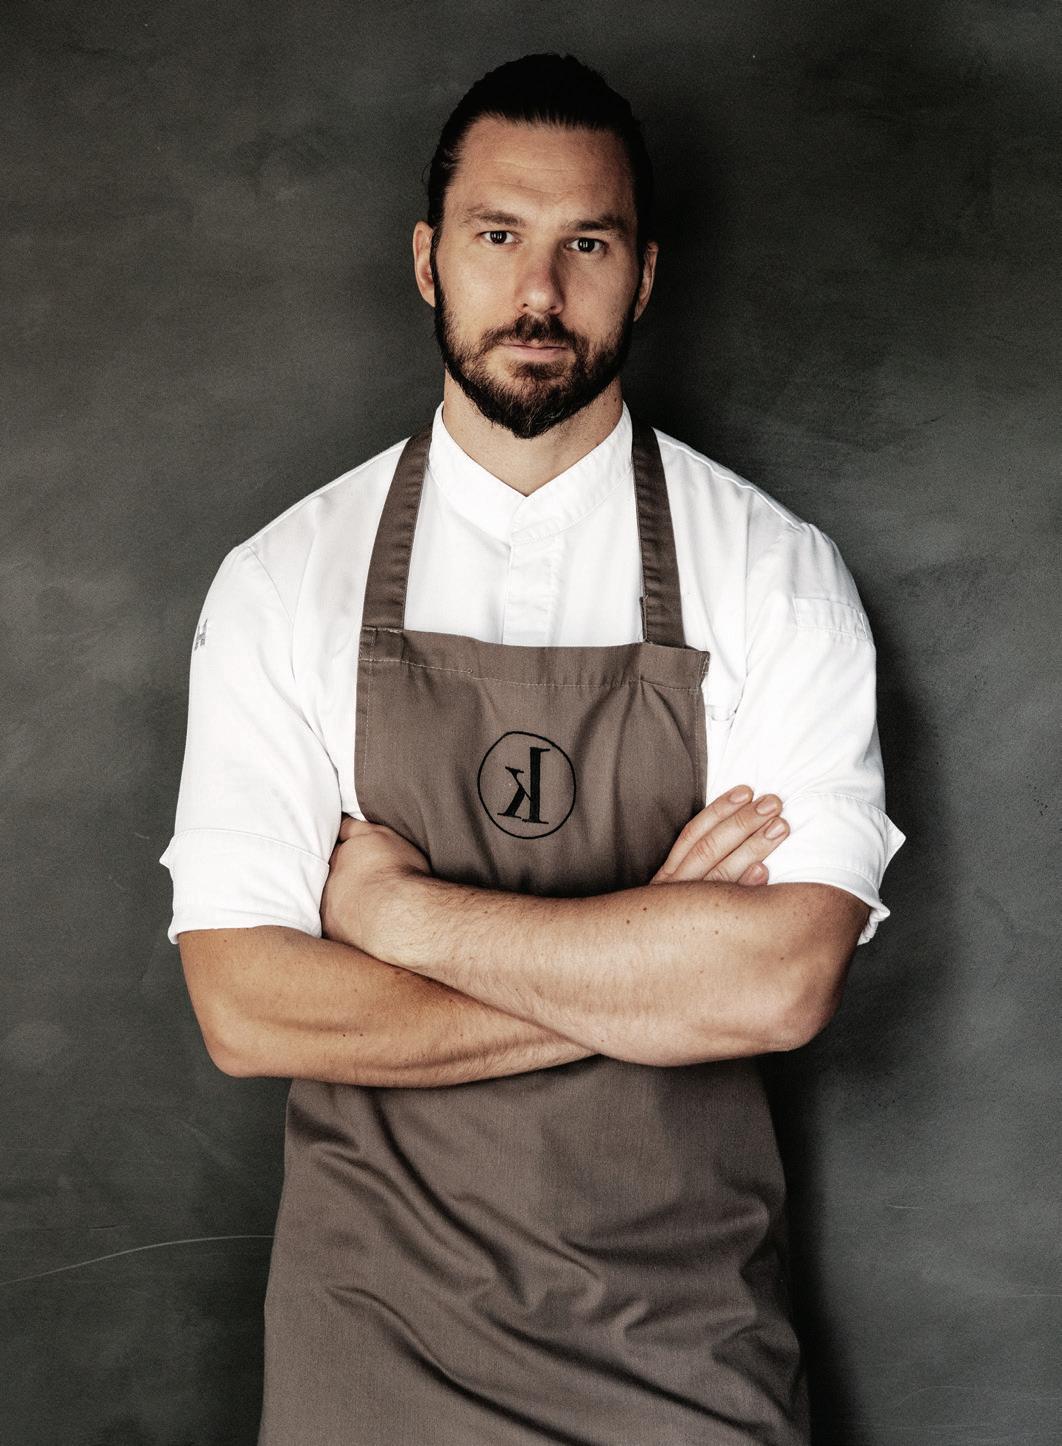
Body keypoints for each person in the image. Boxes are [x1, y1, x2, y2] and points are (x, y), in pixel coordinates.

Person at [161, 51, 904, 1446]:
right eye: (499, 235)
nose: (541, 292)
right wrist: (652, 956)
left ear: (647, 274)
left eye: (589, 244)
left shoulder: (773, 573)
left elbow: (782, 979)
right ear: (429, 260)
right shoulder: (284, 581)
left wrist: (397, 917)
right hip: (370, 1355)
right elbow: (248, 1009)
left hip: (683, 1350)